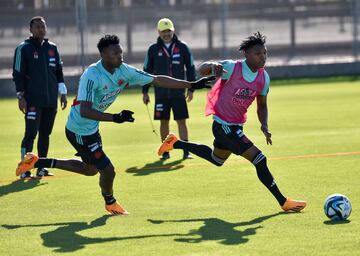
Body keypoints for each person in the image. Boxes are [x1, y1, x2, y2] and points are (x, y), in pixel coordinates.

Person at [15, 34, 214, 215]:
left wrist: (191, 84)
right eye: (115, 52)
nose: (120, 55)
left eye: (121, 51)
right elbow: (85, 111)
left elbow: (157, 80)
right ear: (103, 55)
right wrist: (115, 117)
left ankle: (37, 161)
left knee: (90, 169)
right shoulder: (91, 75)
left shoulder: (123, 70)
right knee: (107, 170)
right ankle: (110, 203)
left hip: (91, 128)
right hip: (78, 129)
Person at [158, 32, 307, 212]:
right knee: (260, 159)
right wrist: (212, 65)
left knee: (216, 159)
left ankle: (177, 143)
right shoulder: (231, 67)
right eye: (258, 53)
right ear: (246, 54)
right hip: (223, 126)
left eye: (265, 53)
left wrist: (264, 124)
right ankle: (284, 202)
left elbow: (262, 105)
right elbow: (201, 69)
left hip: (235, 125)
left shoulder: (264, 78)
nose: (263, 57)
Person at [12, 16, 68, 179]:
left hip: (50, 100)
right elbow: (17, 74)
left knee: (45, 134)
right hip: (32, 101)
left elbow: (59, 71)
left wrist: (62, 93)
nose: (41, 30)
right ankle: (24, 168)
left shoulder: (52, 48)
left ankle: (41, 168)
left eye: (43, 27)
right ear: (30, 30)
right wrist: (20, 96)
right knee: (30, 134)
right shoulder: (24, 48)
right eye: (37, 27)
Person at [142, 18, 196, 160]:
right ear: (159, 32)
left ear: (173, 31)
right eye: (163, 31)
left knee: (181, 121)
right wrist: (145, 91)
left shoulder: (183, 47)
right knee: (163, 122)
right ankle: (165, 152)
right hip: (161, 93)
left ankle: (186, 151)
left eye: (169, 31)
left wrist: (191, 89)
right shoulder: (153, 49)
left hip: (179, 92)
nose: (166, 34)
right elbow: (146, 71)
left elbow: (190, 68)